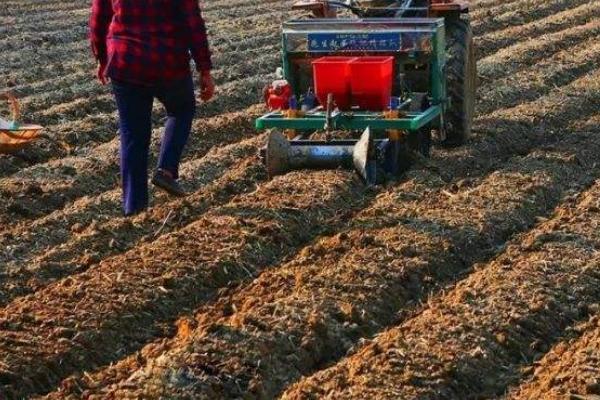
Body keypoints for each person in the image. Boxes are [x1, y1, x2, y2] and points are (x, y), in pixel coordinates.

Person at [89, 0, 215, 216]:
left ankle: (134, 208)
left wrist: (101, 57)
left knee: (133, 135)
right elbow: (192, 20)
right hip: (167, 60)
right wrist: (204, 68)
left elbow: (99, 17)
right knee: (182, 109)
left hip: (125, 59)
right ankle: (166, 169)